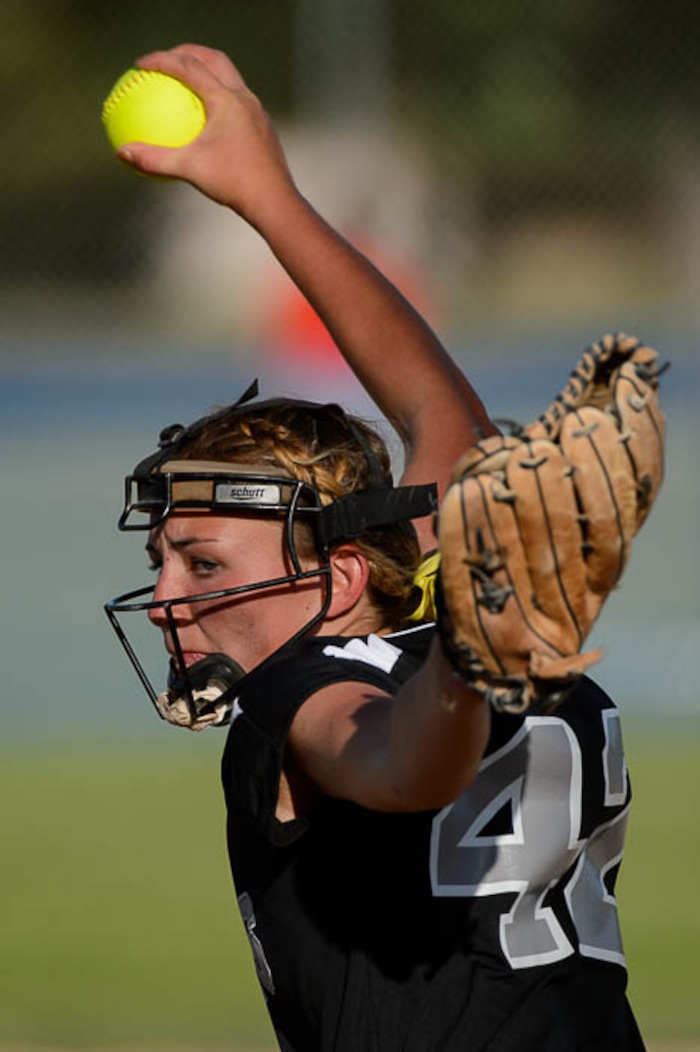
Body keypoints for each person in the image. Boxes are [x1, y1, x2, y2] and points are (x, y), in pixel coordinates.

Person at [106, 45, 645, 1051]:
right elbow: (442, 410)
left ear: (343, 573)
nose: (169, 595)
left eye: (206, 562)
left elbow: (403, 763)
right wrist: (269, 196)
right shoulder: (441, 599)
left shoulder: (297, 692)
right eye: (163, 562)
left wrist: (469, 658)